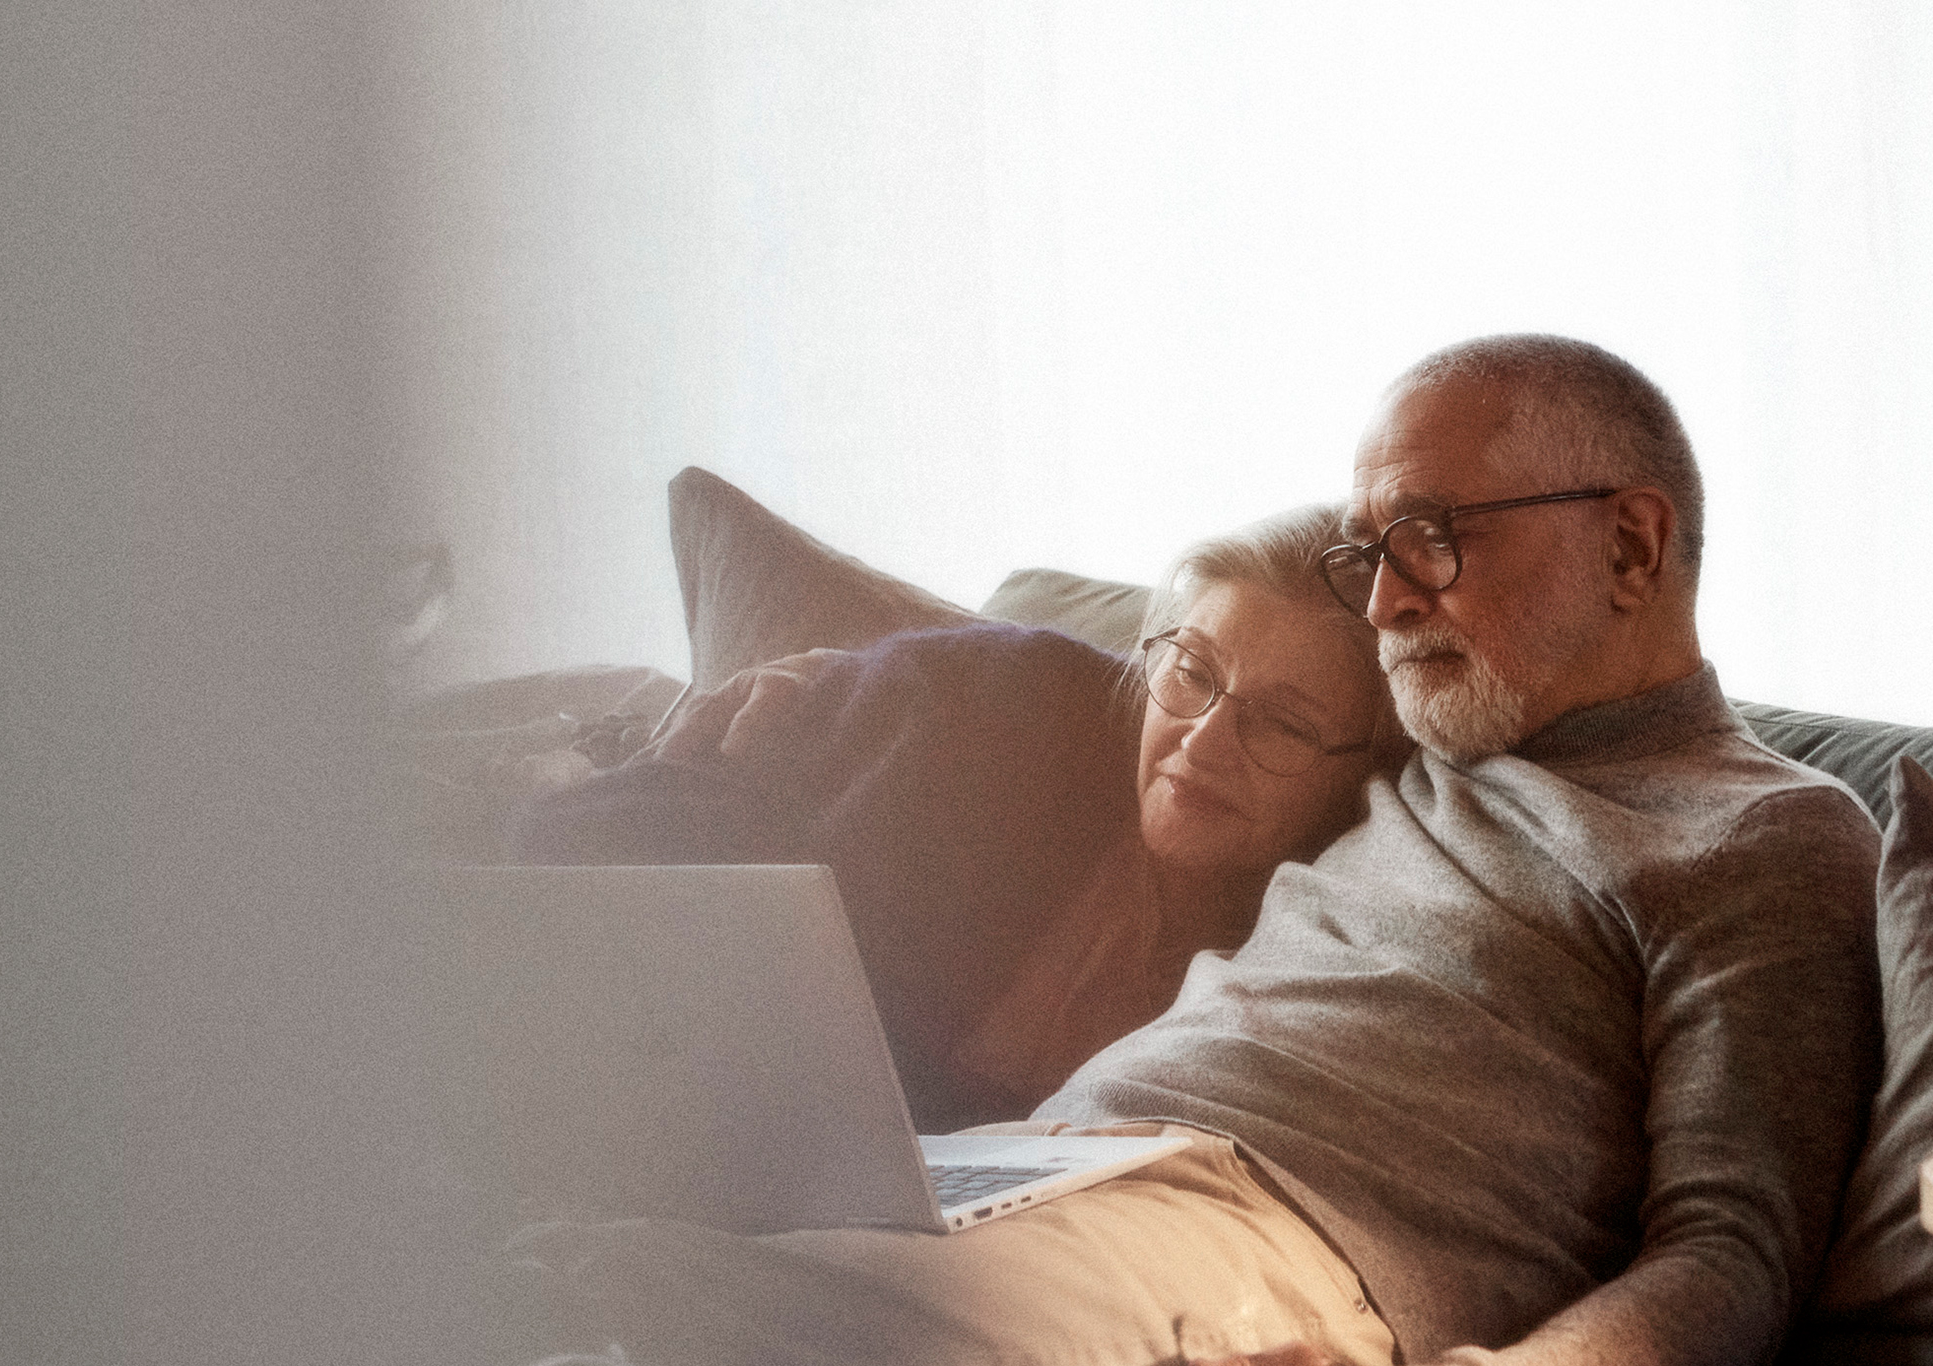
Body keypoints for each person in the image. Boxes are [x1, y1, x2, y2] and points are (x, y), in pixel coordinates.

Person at [515, 334, 1882, 1366]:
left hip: (1277, 1237)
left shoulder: (1762, 830)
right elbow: (1175, 673)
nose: (1389, 600)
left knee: (621, 1312)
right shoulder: (1418, 758)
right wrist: (833, 681)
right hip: (1035, 1168)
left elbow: (1733, 1248)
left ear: (1634, 546)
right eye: (1370, 555)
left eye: (1437, 538)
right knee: (552, 1250)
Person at [516, 504, 1403, 1130]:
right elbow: (595, 845)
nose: (1204, 740)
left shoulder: (1327, 953)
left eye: (1285, 722)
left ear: (1362, 775)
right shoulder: (998, 705)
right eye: (1191, 672)